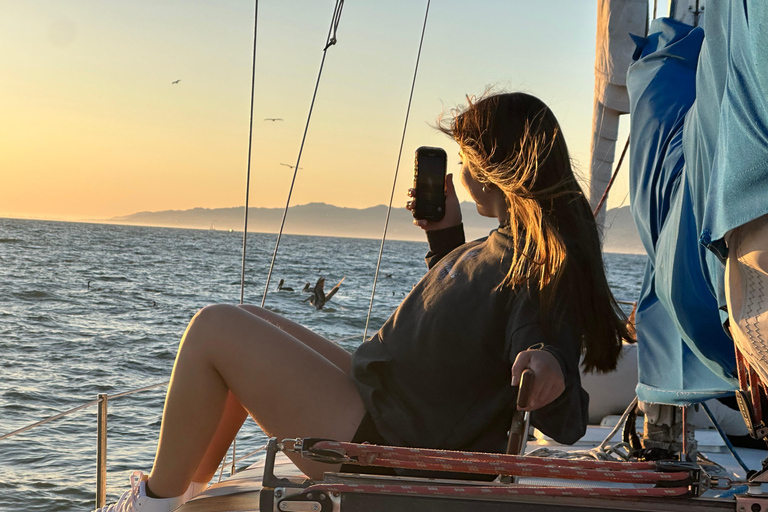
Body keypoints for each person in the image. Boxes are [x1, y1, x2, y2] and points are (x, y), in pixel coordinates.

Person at [95, 92, 633, 512]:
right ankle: (184, 492)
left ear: (493, 168)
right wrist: (445, 239)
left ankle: (154, 502)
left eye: (467, 158)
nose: (461, 171)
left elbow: (542, 341)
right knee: (249, 323)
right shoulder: (509, 241)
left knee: (214, 329)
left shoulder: (538, 265)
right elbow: (474, 321)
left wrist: (547, 365)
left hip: (386, 448)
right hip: (387, 406)